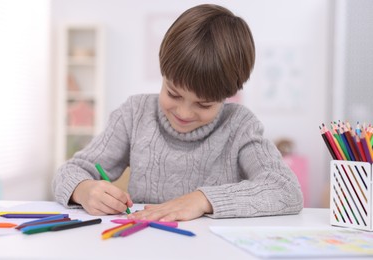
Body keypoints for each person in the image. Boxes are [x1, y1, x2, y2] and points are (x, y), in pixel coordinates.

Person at [52, 4, 303, 221]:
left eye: (203, 104)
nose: (183, 112)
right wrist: (84, 190)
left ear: (229, 94)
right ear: (163, 73)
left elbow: (286, 190)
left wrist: (203, 200)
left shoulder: (240, 125)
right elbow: (70, 171)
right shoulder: (135, 114)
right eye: (173, 94)